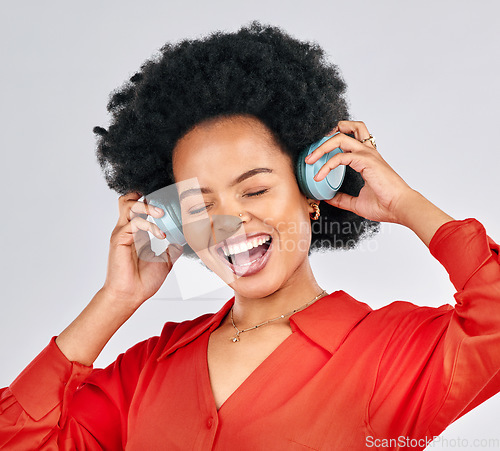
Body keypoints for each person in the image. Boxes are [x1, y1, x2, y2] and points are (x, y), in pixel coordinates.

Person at [1, 21, 499, 451]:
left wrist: (406, 205)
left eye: (255, 189)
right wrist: (115, 300)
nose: (231, 220)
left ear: (312, 191)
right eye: (200, 205)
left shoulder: (386, 356)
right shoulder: (146, 371)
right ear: (178, 224)